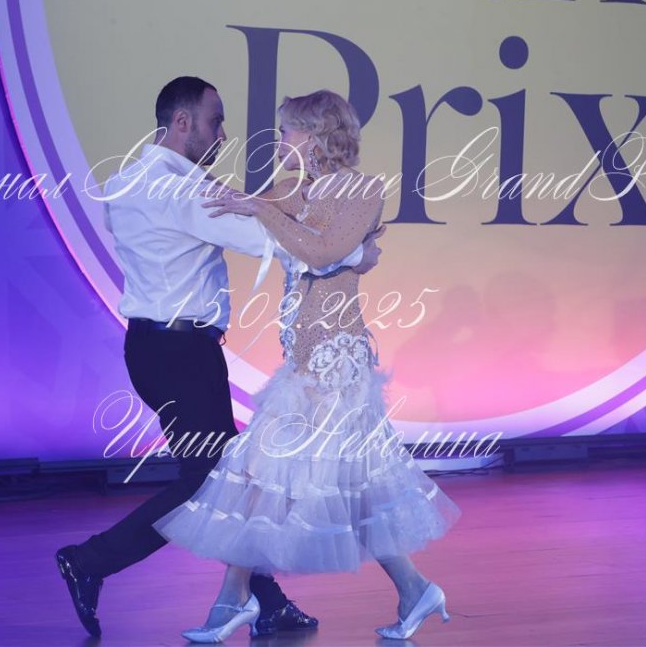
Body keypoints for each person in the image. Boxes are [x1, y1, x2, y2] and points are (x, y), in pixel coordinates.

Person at [54, 77, 384, 638]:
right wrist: (355, 251)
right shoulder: (179, 190)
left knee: (225, 479)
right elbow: (268, 242)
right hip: (180, 352)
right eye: (215, 121)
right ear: (182, 122)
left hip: (158, 348)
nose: (224, 134)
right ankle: (90, 561)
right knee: (212, 483)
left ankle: (265, 602)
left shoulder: (129, 179)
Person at [153, 89, 462, 643]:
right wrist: (228, 197)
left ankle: (232, 600)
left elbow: (320, 251)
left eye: (288, 131)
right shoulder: (295, 188)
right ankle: (414, 589)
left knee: (277, 474)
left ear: (317, 135)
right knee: (330, 482)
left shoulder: (361, 190)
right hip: (303, 362)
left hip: (337, 363)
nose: (280, 141)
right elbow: (253, 210)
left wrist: (273, 215)